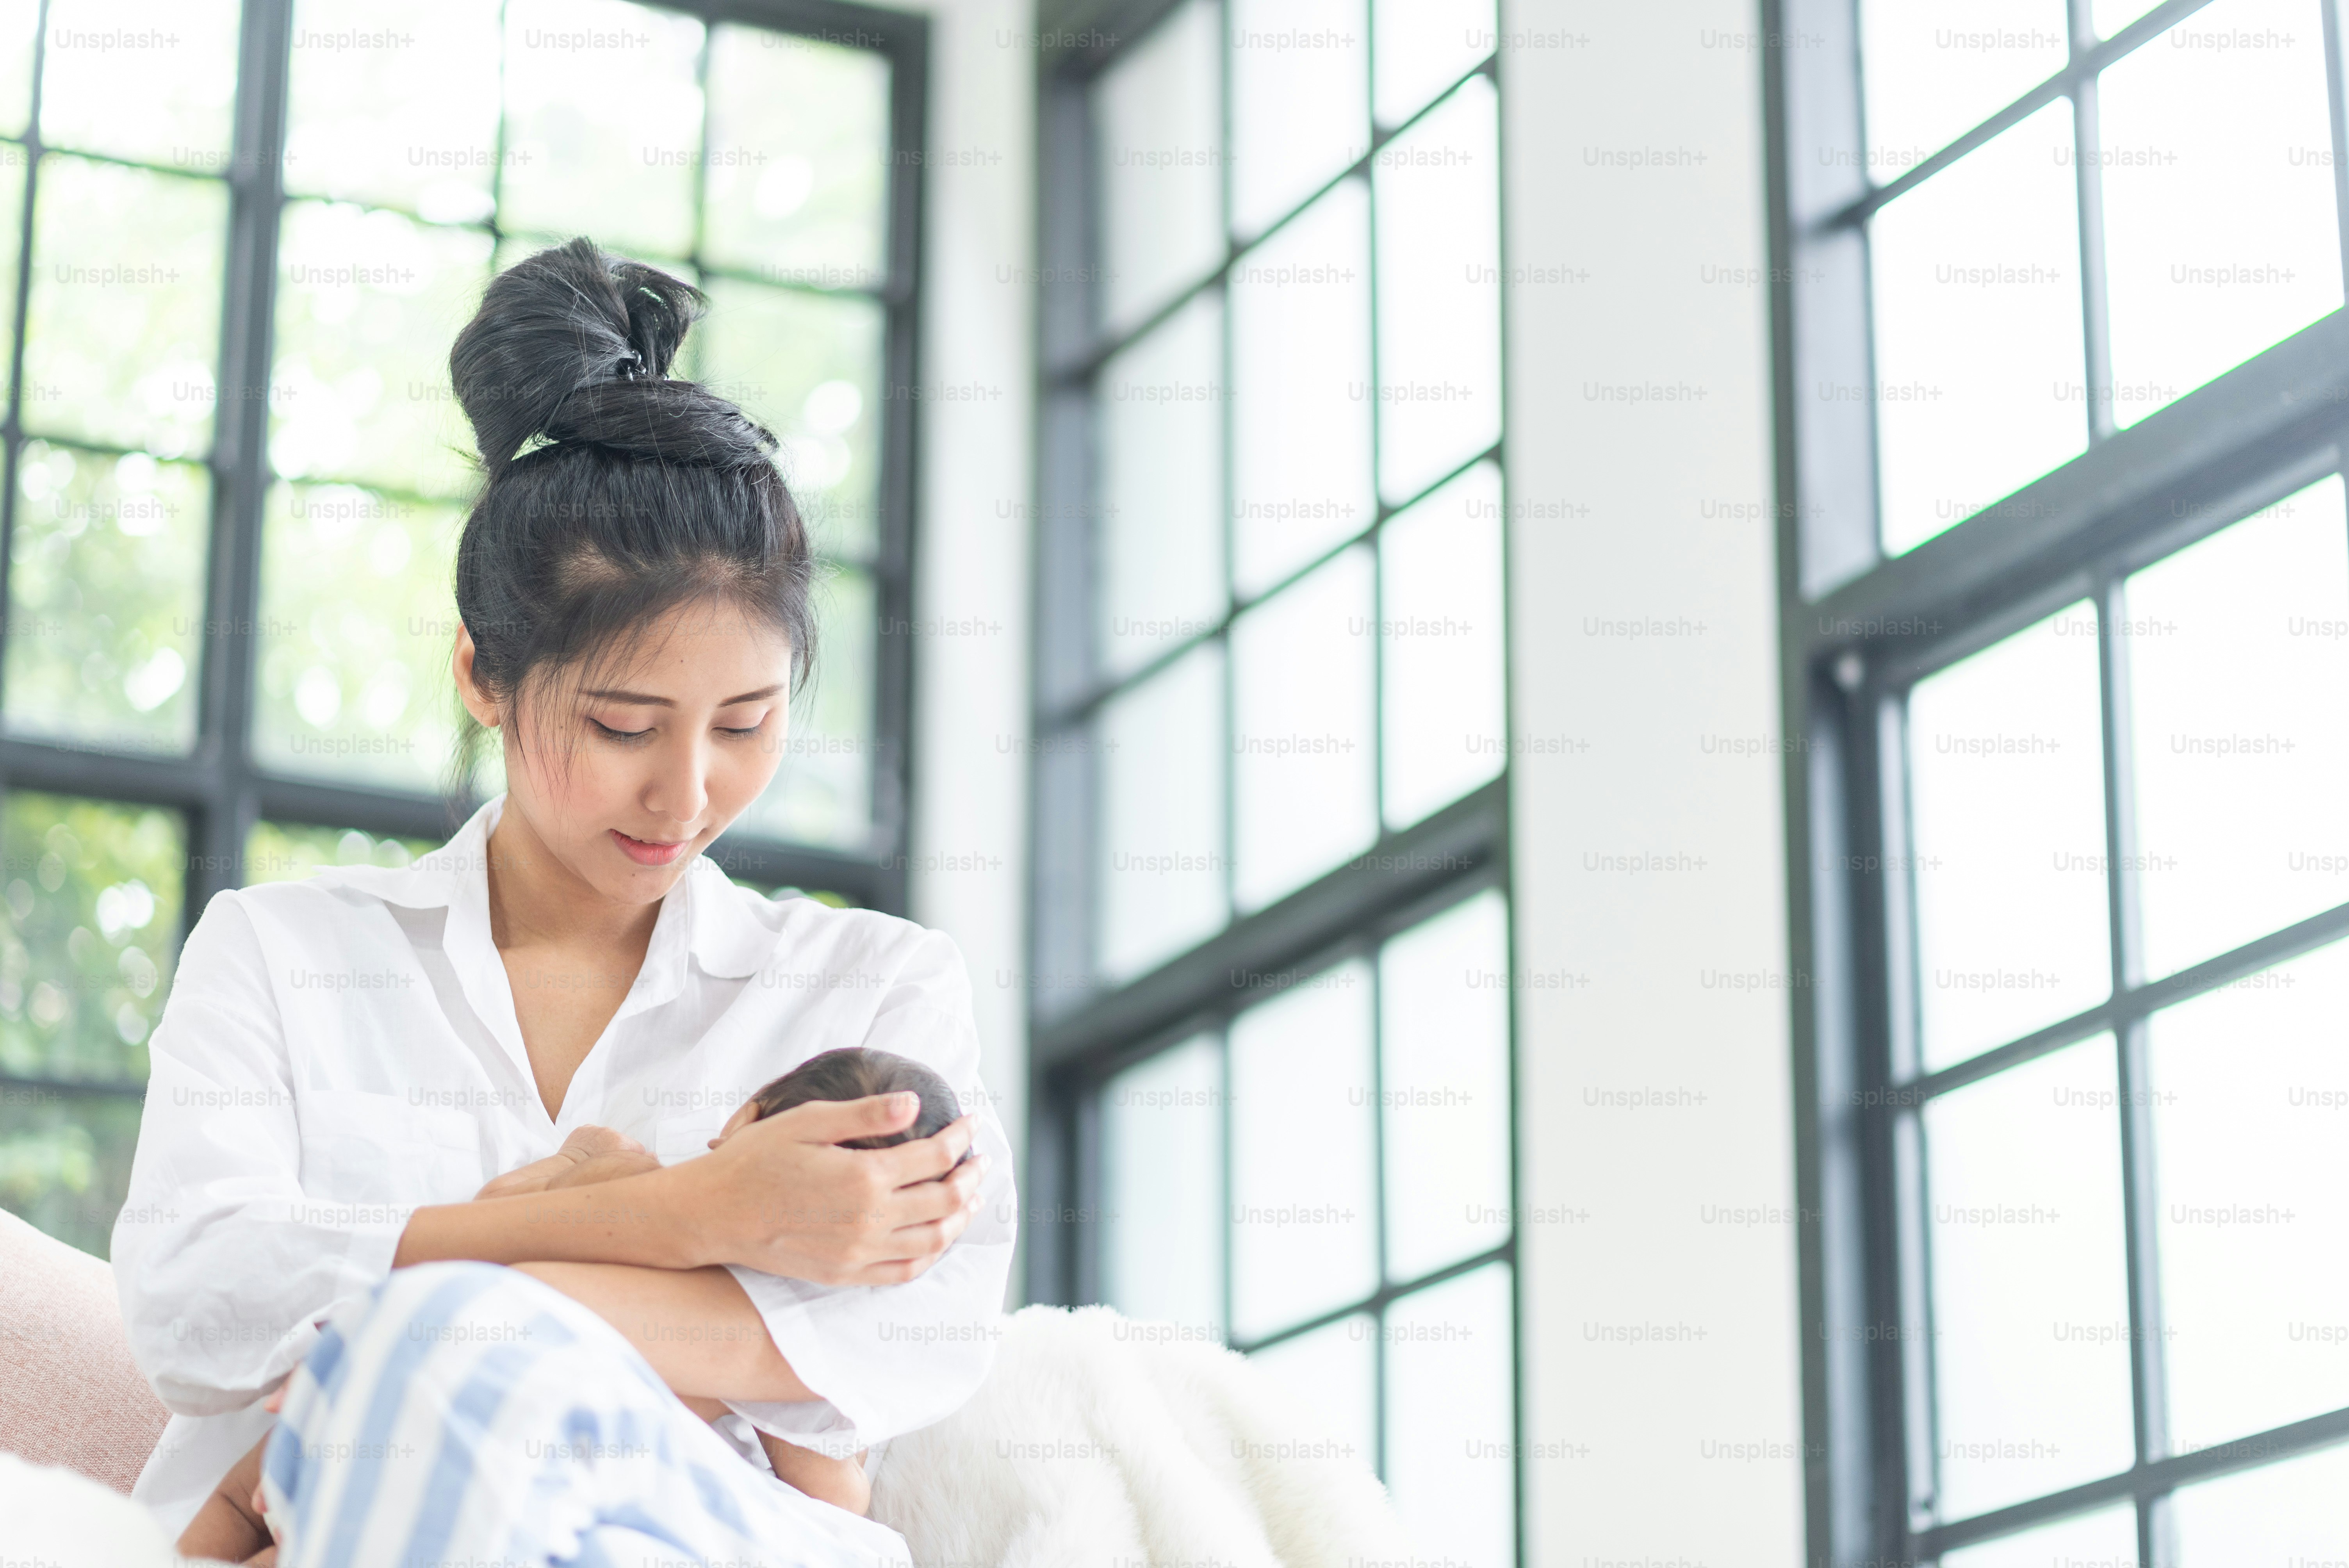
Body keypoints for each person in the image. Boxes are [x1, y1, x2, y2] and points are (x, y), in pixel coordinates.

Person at [111, 237, 1014, 1564]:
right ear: (482, 673)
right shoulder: (282, 952)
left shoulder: (874, 985)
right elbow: (196, 1303)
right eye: (623, 725)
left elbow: (916, 1339)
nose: (687, 795)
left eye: (747, 725)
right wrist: (690, 1225)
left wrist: (443, 1314)